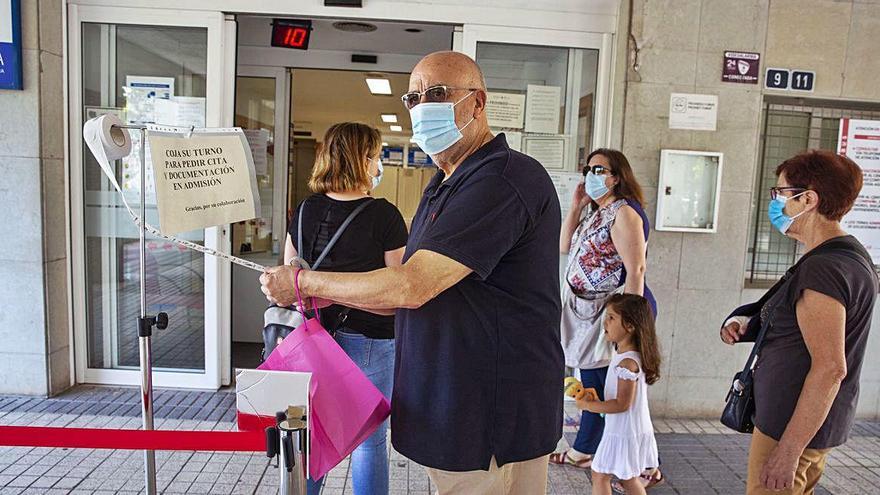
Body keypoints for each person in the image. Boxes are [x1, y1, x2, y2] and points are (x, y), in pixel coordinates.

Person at [261, 51, 564, 494]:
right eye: (414, 97)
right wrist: (326, 297)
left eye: (437, 94)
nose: (423, 106)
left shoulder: (502, 178)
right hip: (454, 413)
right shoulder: (447, 183)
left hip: (491, 421)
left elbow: (412, 285)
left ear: (477, 104)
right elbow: (414, 286)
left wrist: (303, 283)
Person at [720, 150, 878, 495]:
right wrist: (752, 322)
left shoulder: (824, 268)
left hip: (790, 429)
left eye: (780, 194)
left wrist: (788, 451)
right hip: (798, 425)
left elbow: (830, 369)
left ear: (808, 199)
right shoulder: (844, 255)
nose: (776, 204)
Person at [284, 122, 408, 495]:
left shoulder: (306, 210)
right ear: (363, 159)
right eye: (377, 155)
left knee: (313, 432)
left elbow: (291, 282)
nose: (378, 164)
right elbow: (395, 291)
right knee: (368, 440)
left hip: (315, 339)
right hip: (369, 341)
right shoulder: (384, 216)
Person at [551, 148, 662, 489]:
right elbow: (563, 245)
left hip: (613, 314)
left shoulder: (624, 213)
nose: (592, 175)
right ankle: (596, 453)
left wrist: (628, 326)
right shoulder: (598, 212)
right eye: (589, 168)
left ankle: (626, 462)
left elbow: (636, 269)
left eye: (600, 169)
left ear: (617, 177)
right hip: (590, 313)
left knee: (606, 388)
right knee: (595, 382)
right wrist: (575, 207)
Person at [577, 294, 660, 495]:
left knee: (600, 473)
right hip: (626, 428)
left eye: (612, 318)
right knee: (627, 476)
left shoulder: (627, 363)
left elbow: (622, 404)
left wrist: (589, 406)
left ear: (630, 326)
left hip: (623, 431)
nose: (605, 322)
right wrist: (598, 401)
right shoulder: (624, 356)